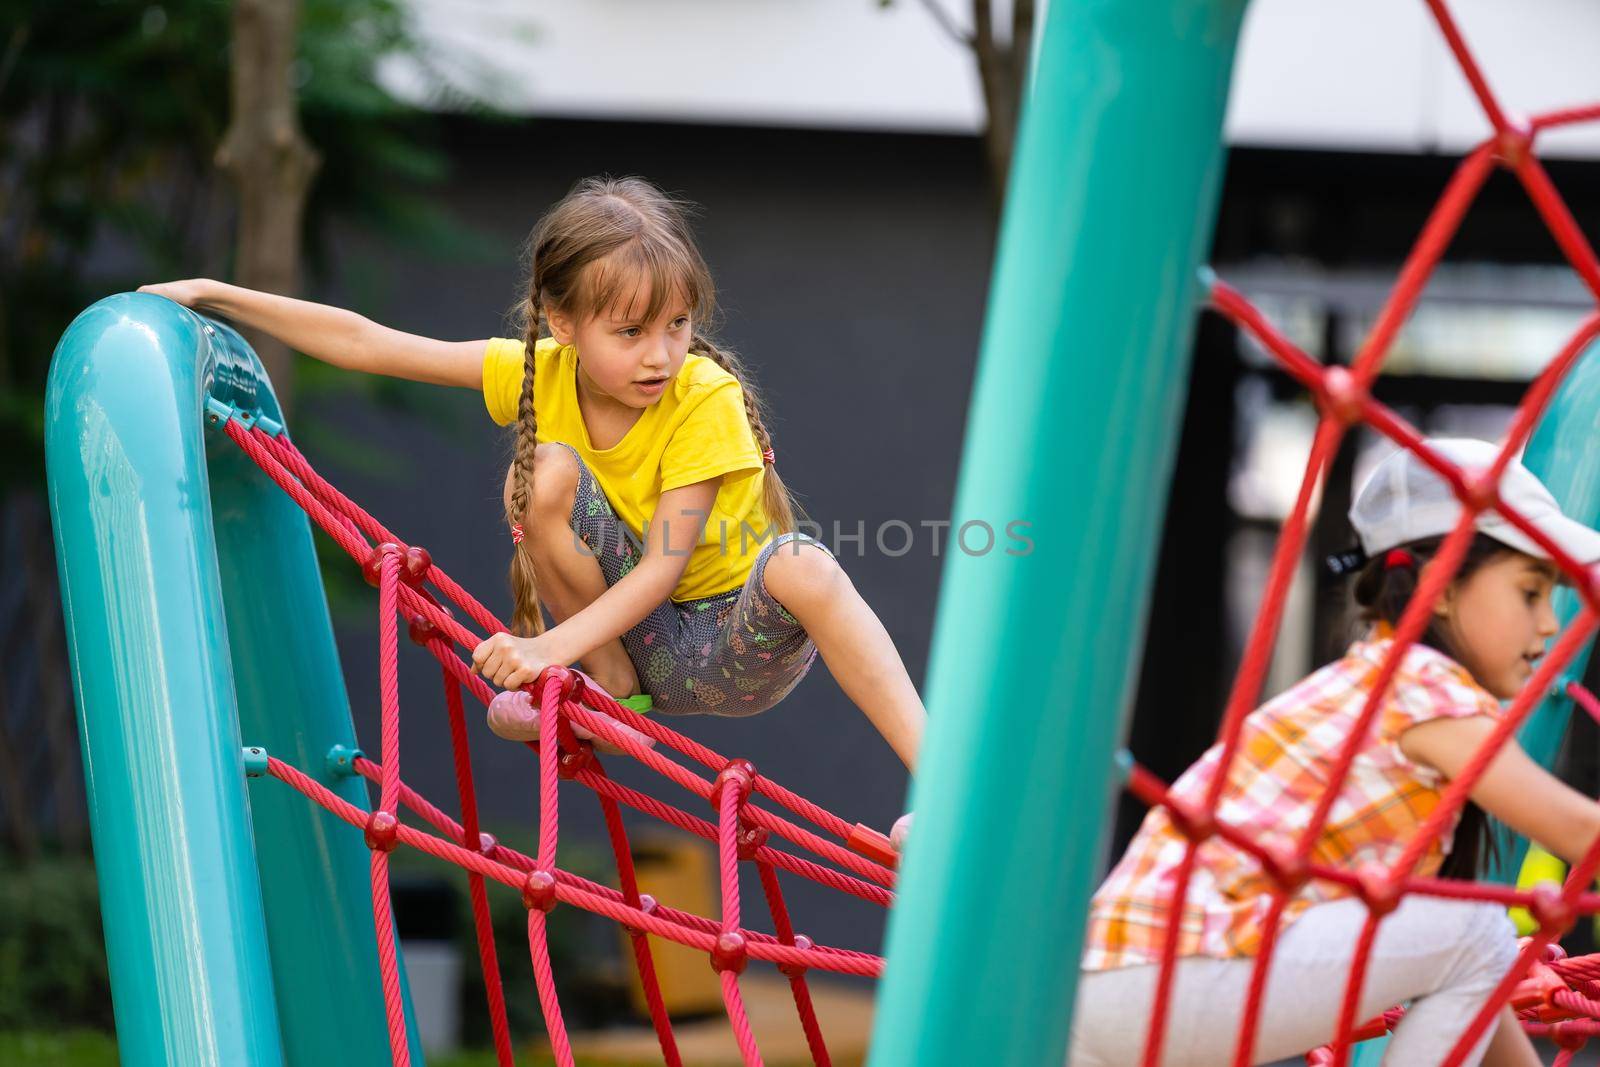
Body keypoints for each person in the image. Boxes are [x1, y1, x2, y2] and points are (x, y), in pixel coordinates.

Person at [139, 175, 925, 772]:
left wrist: (546, 648)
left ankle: (939, 786)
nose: (661, 353)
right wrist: (216, 294)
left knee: (805, 563)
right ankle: (609, 690)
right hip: (637, 646)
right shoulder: (537, 375)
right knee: (545, 470)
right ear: (564, 324)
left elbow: (664, 567)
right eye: (631, 331)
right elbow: (369, 341)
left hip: (732, 642)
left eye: (677, 325)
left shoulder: (704, 399)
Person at [1069, 438, 1600, 1066]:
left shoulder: (1372, 685)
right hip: (1168, 977)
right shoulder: (1423, 690)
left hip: (1119, 994)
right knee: (1476, 926)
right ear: (1441, 585)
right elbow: (1577, 830)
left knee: (1471, 939)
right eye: (1531, 593)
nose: (1549, 623)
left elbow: (1474, 982)